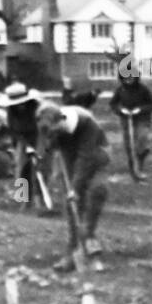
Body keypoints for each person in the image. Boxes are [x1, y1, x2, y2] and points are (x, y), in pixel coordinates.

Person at [37, 102, 110, 272]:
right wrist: (41, 148)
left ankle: (89, 243)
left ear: (62, 120)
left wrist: (75, 188)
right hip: (54, 153)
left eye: (57, 130)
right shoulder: (41, 119)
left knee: (97, 191)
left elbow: (86, 159)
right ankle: (23, 198)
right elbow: (44, 142)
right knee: (23, 168)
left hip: (95, 156)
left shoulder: (85, 123)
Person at [0, 82, 49, 209]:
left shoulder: (37, 108)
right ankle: (23, 200)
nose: (19, 105)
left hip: (38, 137)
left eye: (21, 102)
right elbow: (12, 129)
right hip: (21, 139)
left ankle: (39, 198)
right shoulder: (11, 111)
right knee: (21, 168)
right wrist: (20, 144)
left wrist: (37, 148)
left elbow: (43, 128)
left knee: (39, 168)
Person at [110, 70, 152, 179]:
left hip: (142, 119)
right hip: (126, 120)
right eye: (126, 78)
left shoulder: (143, 89)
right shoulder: (120, 90)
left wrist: (140, 109)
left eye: (131, 78)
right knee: (129, 146)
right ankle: (133, 170)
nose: (129, 80)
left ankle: (140, 159)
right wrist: (121, 110)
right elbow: (113, 104)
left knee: (141, 137)